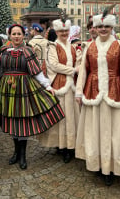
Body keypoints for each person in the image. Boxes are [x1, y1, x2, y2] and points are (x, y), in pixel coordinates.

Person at [75, 13, 120, 186]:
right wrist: (79, 92)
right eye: (99, 26)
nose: (103, 29)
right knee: (95, 129)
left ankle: (113, 166)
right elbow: (84, 71)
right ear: (95, 29)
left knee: (115, 130)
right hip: (93, 91)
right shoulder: (88, 46)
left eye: (106, 26)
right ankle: (97, 163)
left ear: (112, 28)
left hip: (115, 91)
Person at [0, 24, 65, 170]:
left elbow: (37, 72)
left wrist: (47, 86)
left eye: (19, 34)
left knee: (22, 120)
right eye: (14, 34)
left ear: (24, 35)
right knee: (12, 120)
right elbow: (0, 70)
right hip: (8, 88)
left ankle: (22, 155)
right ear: (10, 35)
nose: (16, 37)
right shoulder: (3, 51)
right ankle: (15, 153)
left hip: (23, 88)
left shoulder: (28, 51)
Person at [37, 19, 81, 163]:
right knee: (61, 117)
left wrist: (79, 64)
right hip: (60, 86)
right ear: (56, 32)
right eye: (61, 31)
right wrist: (73, 70)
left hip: (72, 87)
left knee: (72, 117)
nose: (63, 33)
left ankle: (71, 145)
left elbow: (79, 61)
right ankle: (61, 146)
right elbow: (54, 65)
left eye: (66, 31)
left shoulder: (73, 47)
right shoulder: (52, 46)